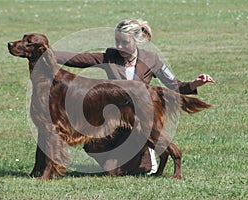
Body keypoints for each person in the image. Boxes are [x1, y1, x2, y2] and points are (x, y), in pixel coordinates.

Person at [54, 19, 215, 176]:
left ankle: (147, 157)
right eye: (117, 41)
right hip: (115, 123)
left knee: (120, 169)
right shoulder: (111, 56)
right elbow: (77, 59)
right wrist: (46, 52)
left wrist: (194, 83)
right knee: (95, 150)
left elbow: (175, 85)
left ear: (136, 40)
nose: (119, 46)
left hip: (138, 121)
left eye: (125, 42)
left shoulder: (152, 60)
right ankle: (121, 162)